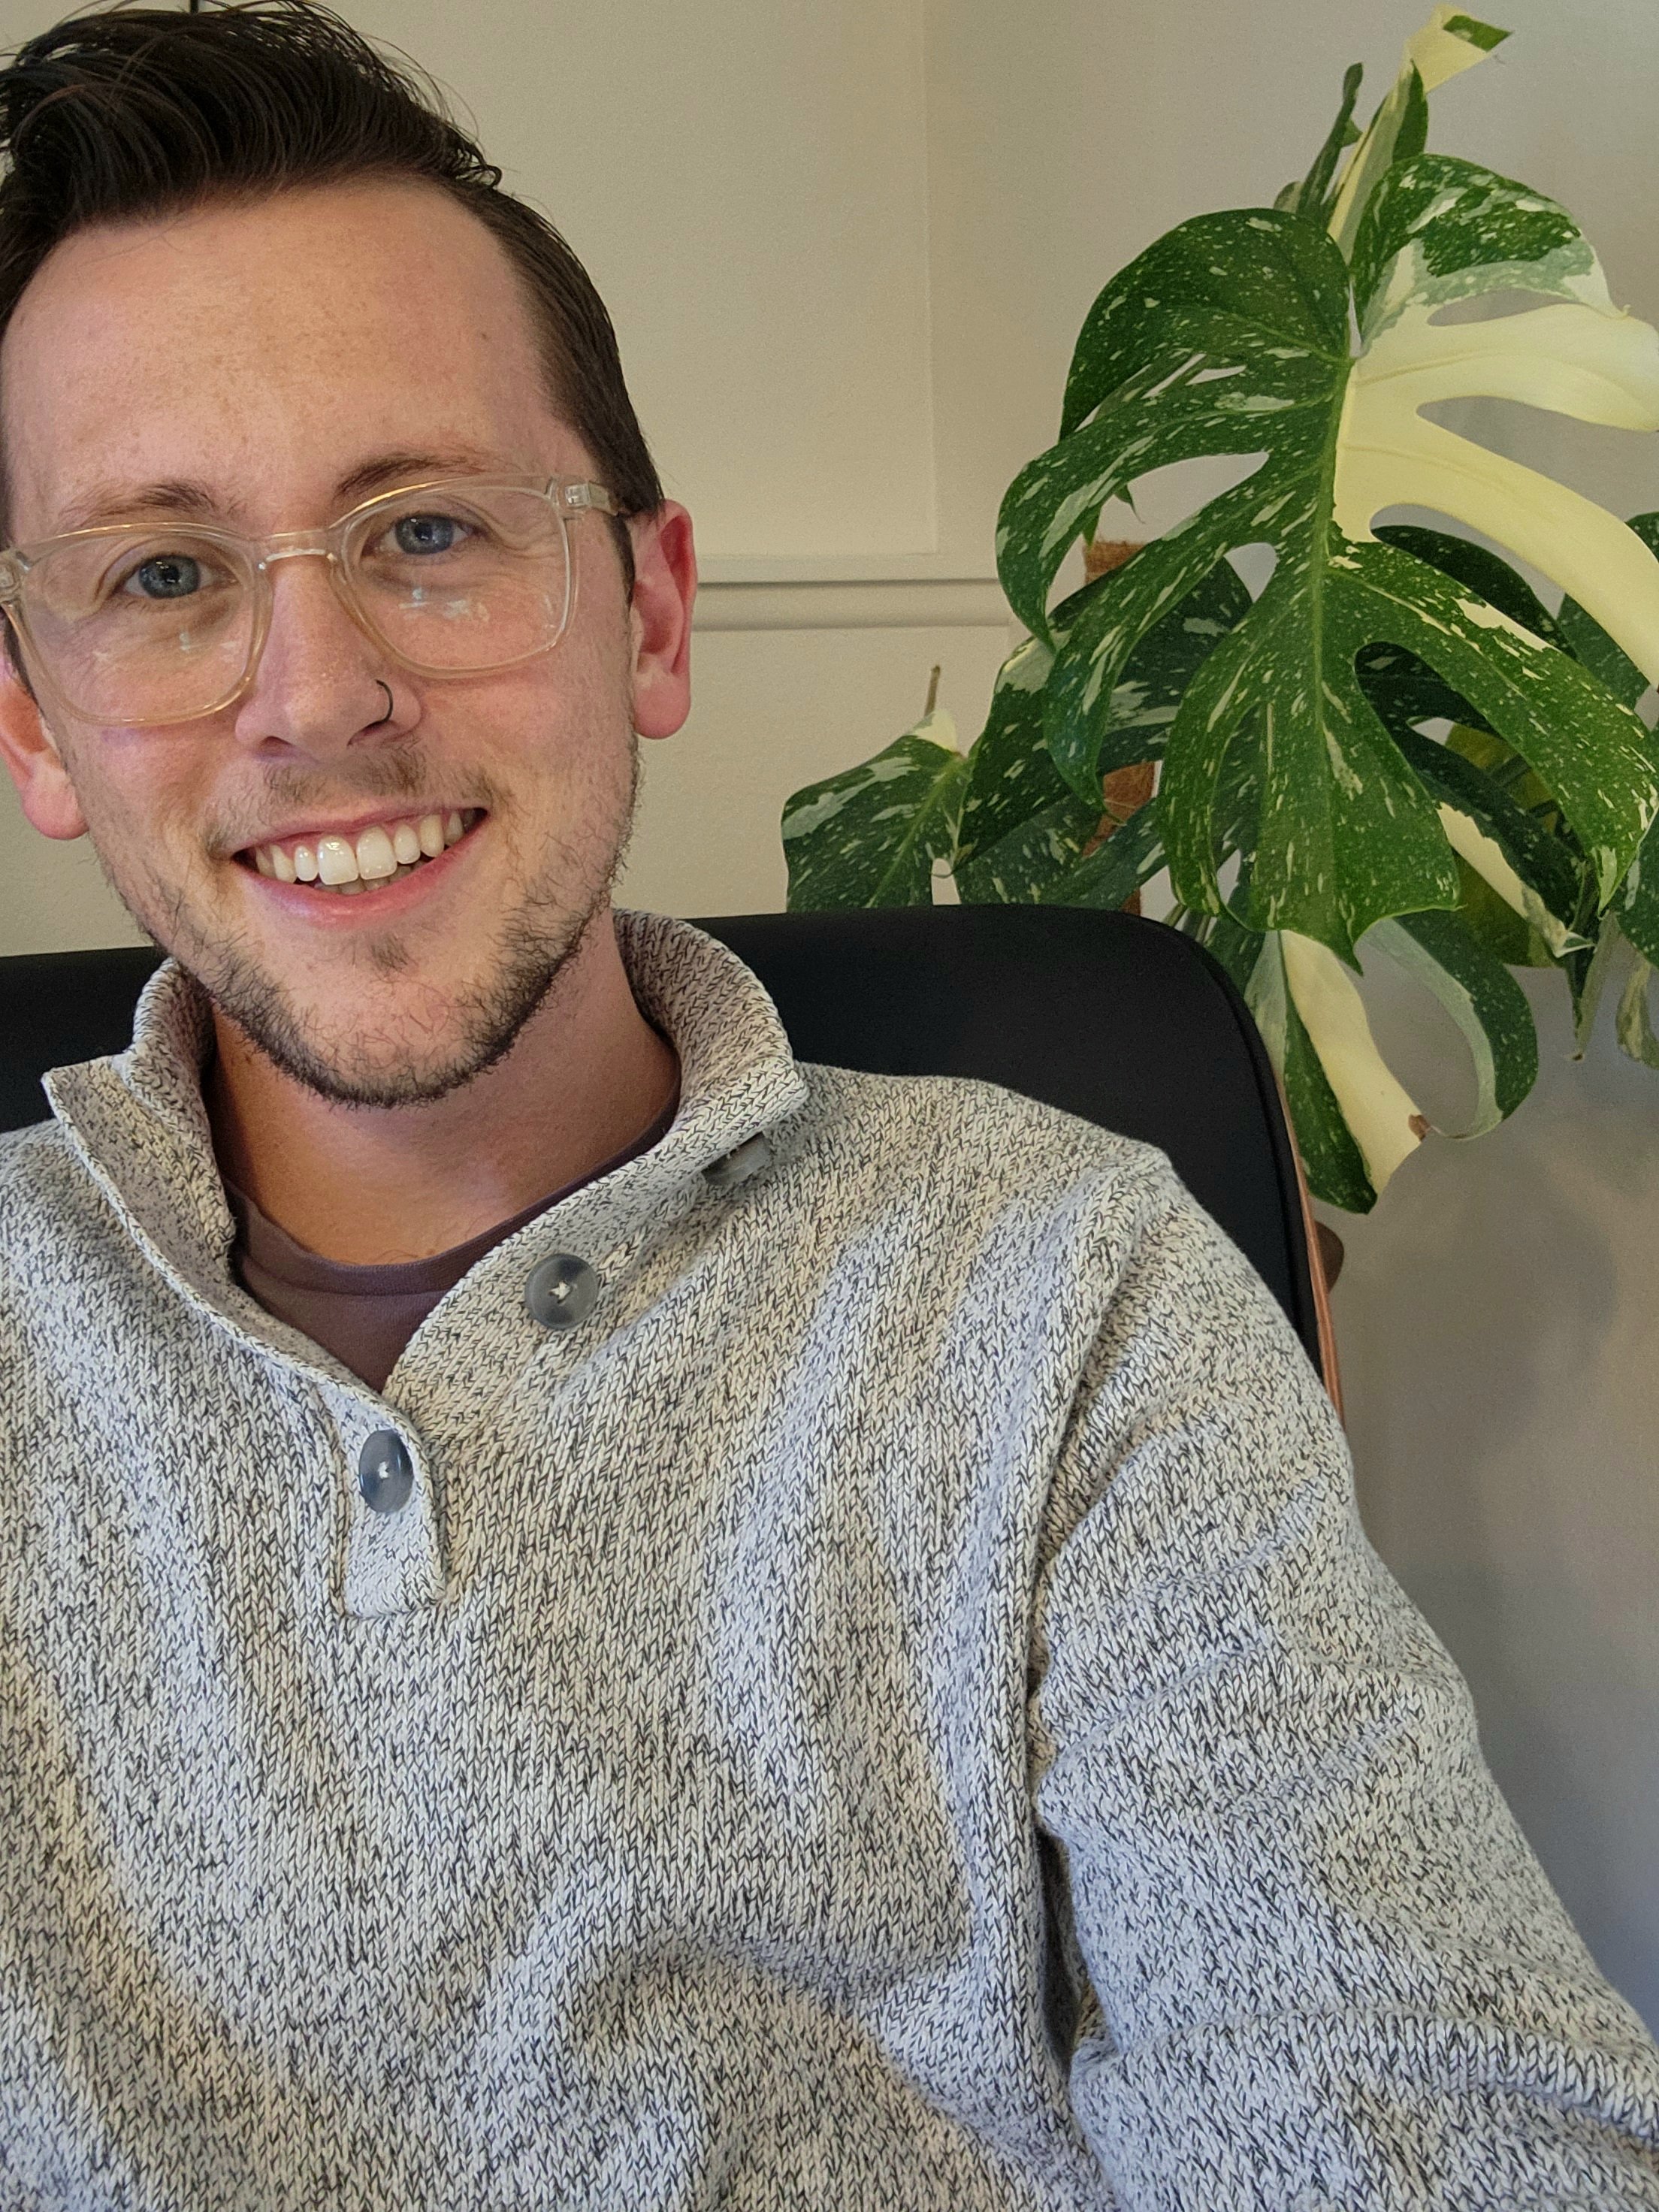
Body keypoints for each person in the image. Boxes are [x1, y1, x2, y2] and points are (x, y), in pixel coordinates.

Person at [0, 6, 1654, 2206]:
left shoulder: (1067, 1287)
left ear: (649, 612)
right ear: (36, 731)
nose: (319, 698)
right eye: (165, 576)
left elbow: (1430, 2125)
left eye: (426, 529)